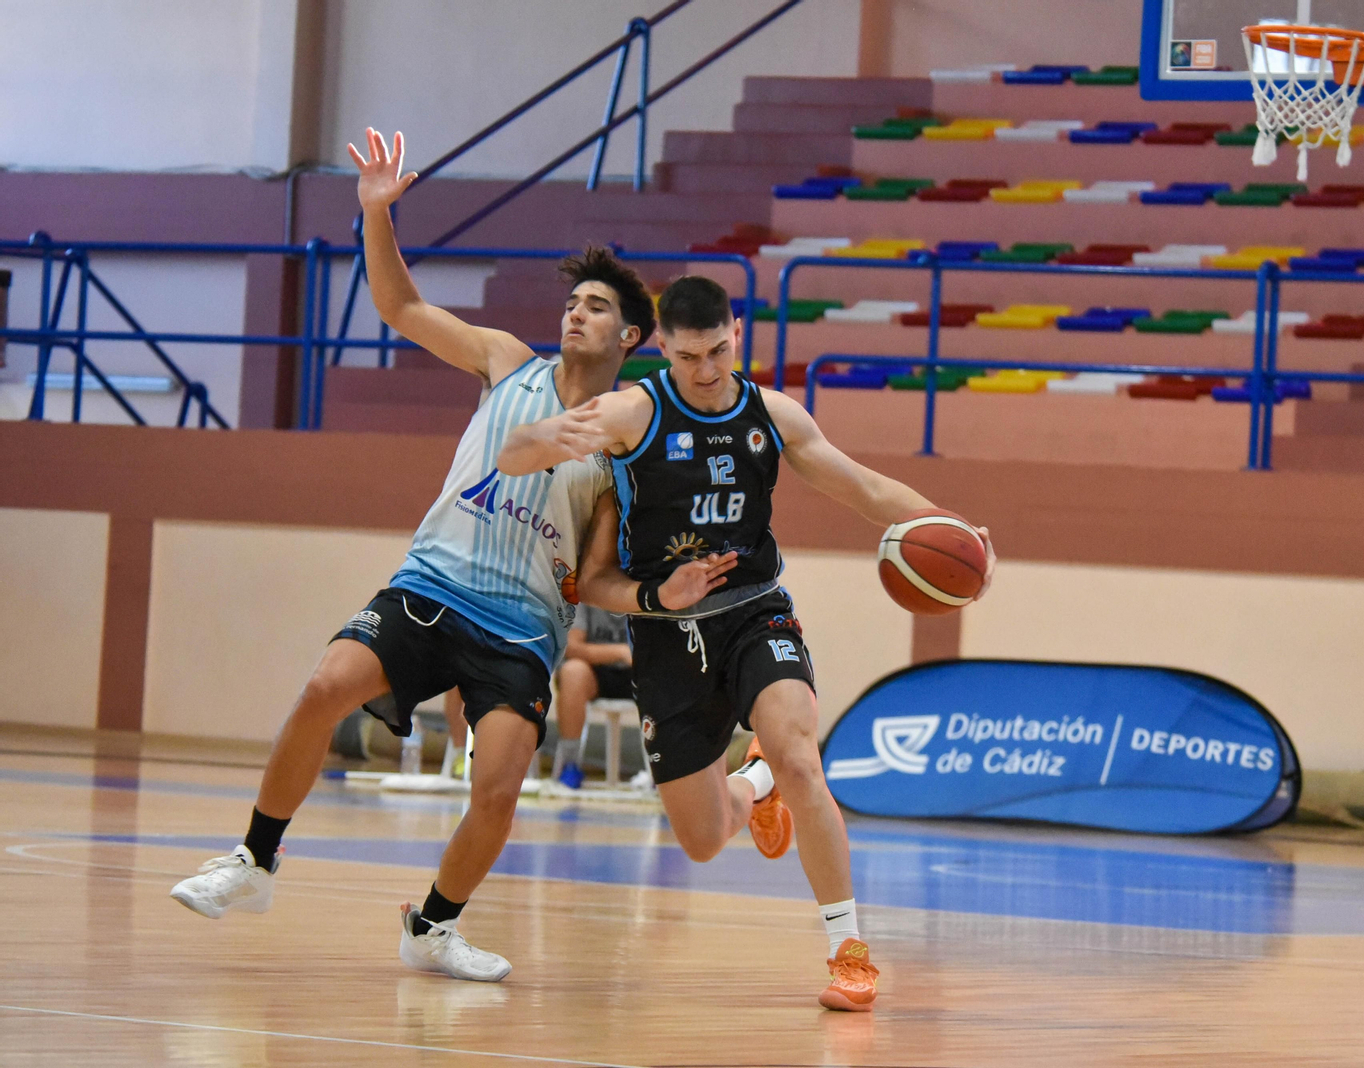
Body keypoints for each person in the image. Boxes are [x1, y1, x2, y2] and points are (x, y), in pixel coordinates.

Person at [169, 128, 658, 982]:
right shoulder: (507, 363)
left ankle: (432, 925)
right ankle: (253, 861)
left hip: (523, 629)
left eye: (597, 306)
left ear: (631, 337)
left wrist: (661, 591)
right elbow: (399, 308)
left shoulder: (621, 446)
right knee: (324, 687)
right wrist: (375, 213)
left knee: (499, 789)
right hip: (433, 582)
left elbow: (598, 573)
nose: (577, 311)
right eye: (573, 300)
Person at [495, 275, 997, 1011]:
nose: (706, 370)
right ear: (662, 346)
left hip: (756, 611)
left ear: (739, 332)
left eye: (719, 350)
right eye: (690, 355)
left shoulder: (772, 412)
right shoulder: (633, 413)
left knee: (801, 754)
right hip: (667, 634)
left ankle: (848, 952)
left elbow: (861, 487)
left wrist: (956, 529)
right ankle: (754, 782)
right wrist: (543, 436)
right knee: (703, 839)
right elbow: (515, 461)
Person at [550, 603, 634, 789]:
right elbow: (571, 646)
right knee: (573, 672)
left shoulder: (648, 586)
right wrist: (620, 652)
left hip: (638, 673)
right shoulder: (585, 592)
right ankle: (570, 764)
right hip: (596, 672)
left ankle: (665, 767)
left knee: (668, 674)